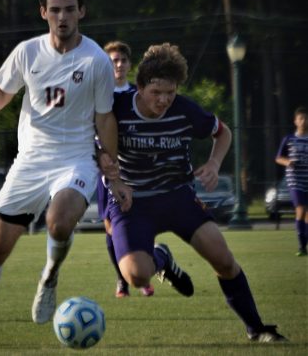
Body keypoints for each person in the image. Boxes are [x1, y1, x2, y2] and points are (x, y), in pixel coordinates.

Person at [0, 0, 131, 348]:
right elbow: (3, 92)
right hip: (30, 160)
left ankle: (49, 275)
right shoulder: (27, 52)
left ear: (82, 11)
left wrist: (110, 167)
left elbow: (104, 118)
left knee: (59, 222)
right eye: (54, 10)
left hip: (76, 159)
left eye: (69, 9)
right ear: (43, 12)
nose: (62, 17)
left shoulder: (96, 59)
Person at [100, 43, 287, 342]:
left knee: (223, 259)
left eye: (170, 93)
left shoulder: (186, 110)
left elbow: (222, 132)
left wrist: (214, 162)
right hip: (133, 203)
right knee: (136, 275)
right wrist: (115, 180)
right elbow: (97, 149)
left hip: (178, 197)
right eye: (156, 92)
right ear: (140, 86)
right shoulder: (117, 110)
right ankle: (161, 258)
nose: (163, 100)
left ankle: (258, 329)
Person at [100, 41, 154, 297]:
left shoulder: (138, 94)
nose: (118, 64)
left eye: (122, 60)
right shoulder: (100, 94)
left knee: (142, 220)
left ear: (129, 64)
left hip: (136, 168)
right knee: (111, 227)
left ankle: (143, 274)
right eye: (113, 61)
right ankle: (122, 278)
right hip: (107, 169)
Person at [275, 106, 308, 256]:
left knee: (306, 215)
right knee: (300, 210)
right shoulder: (289, 139)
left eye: (306, 118)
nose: (304, 121)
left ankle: (303, 244)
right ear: (295, 121)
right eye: (301, 118)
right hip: (295, 180)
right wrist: (287, 162)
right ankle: (302, 247)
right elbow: (278, 158)